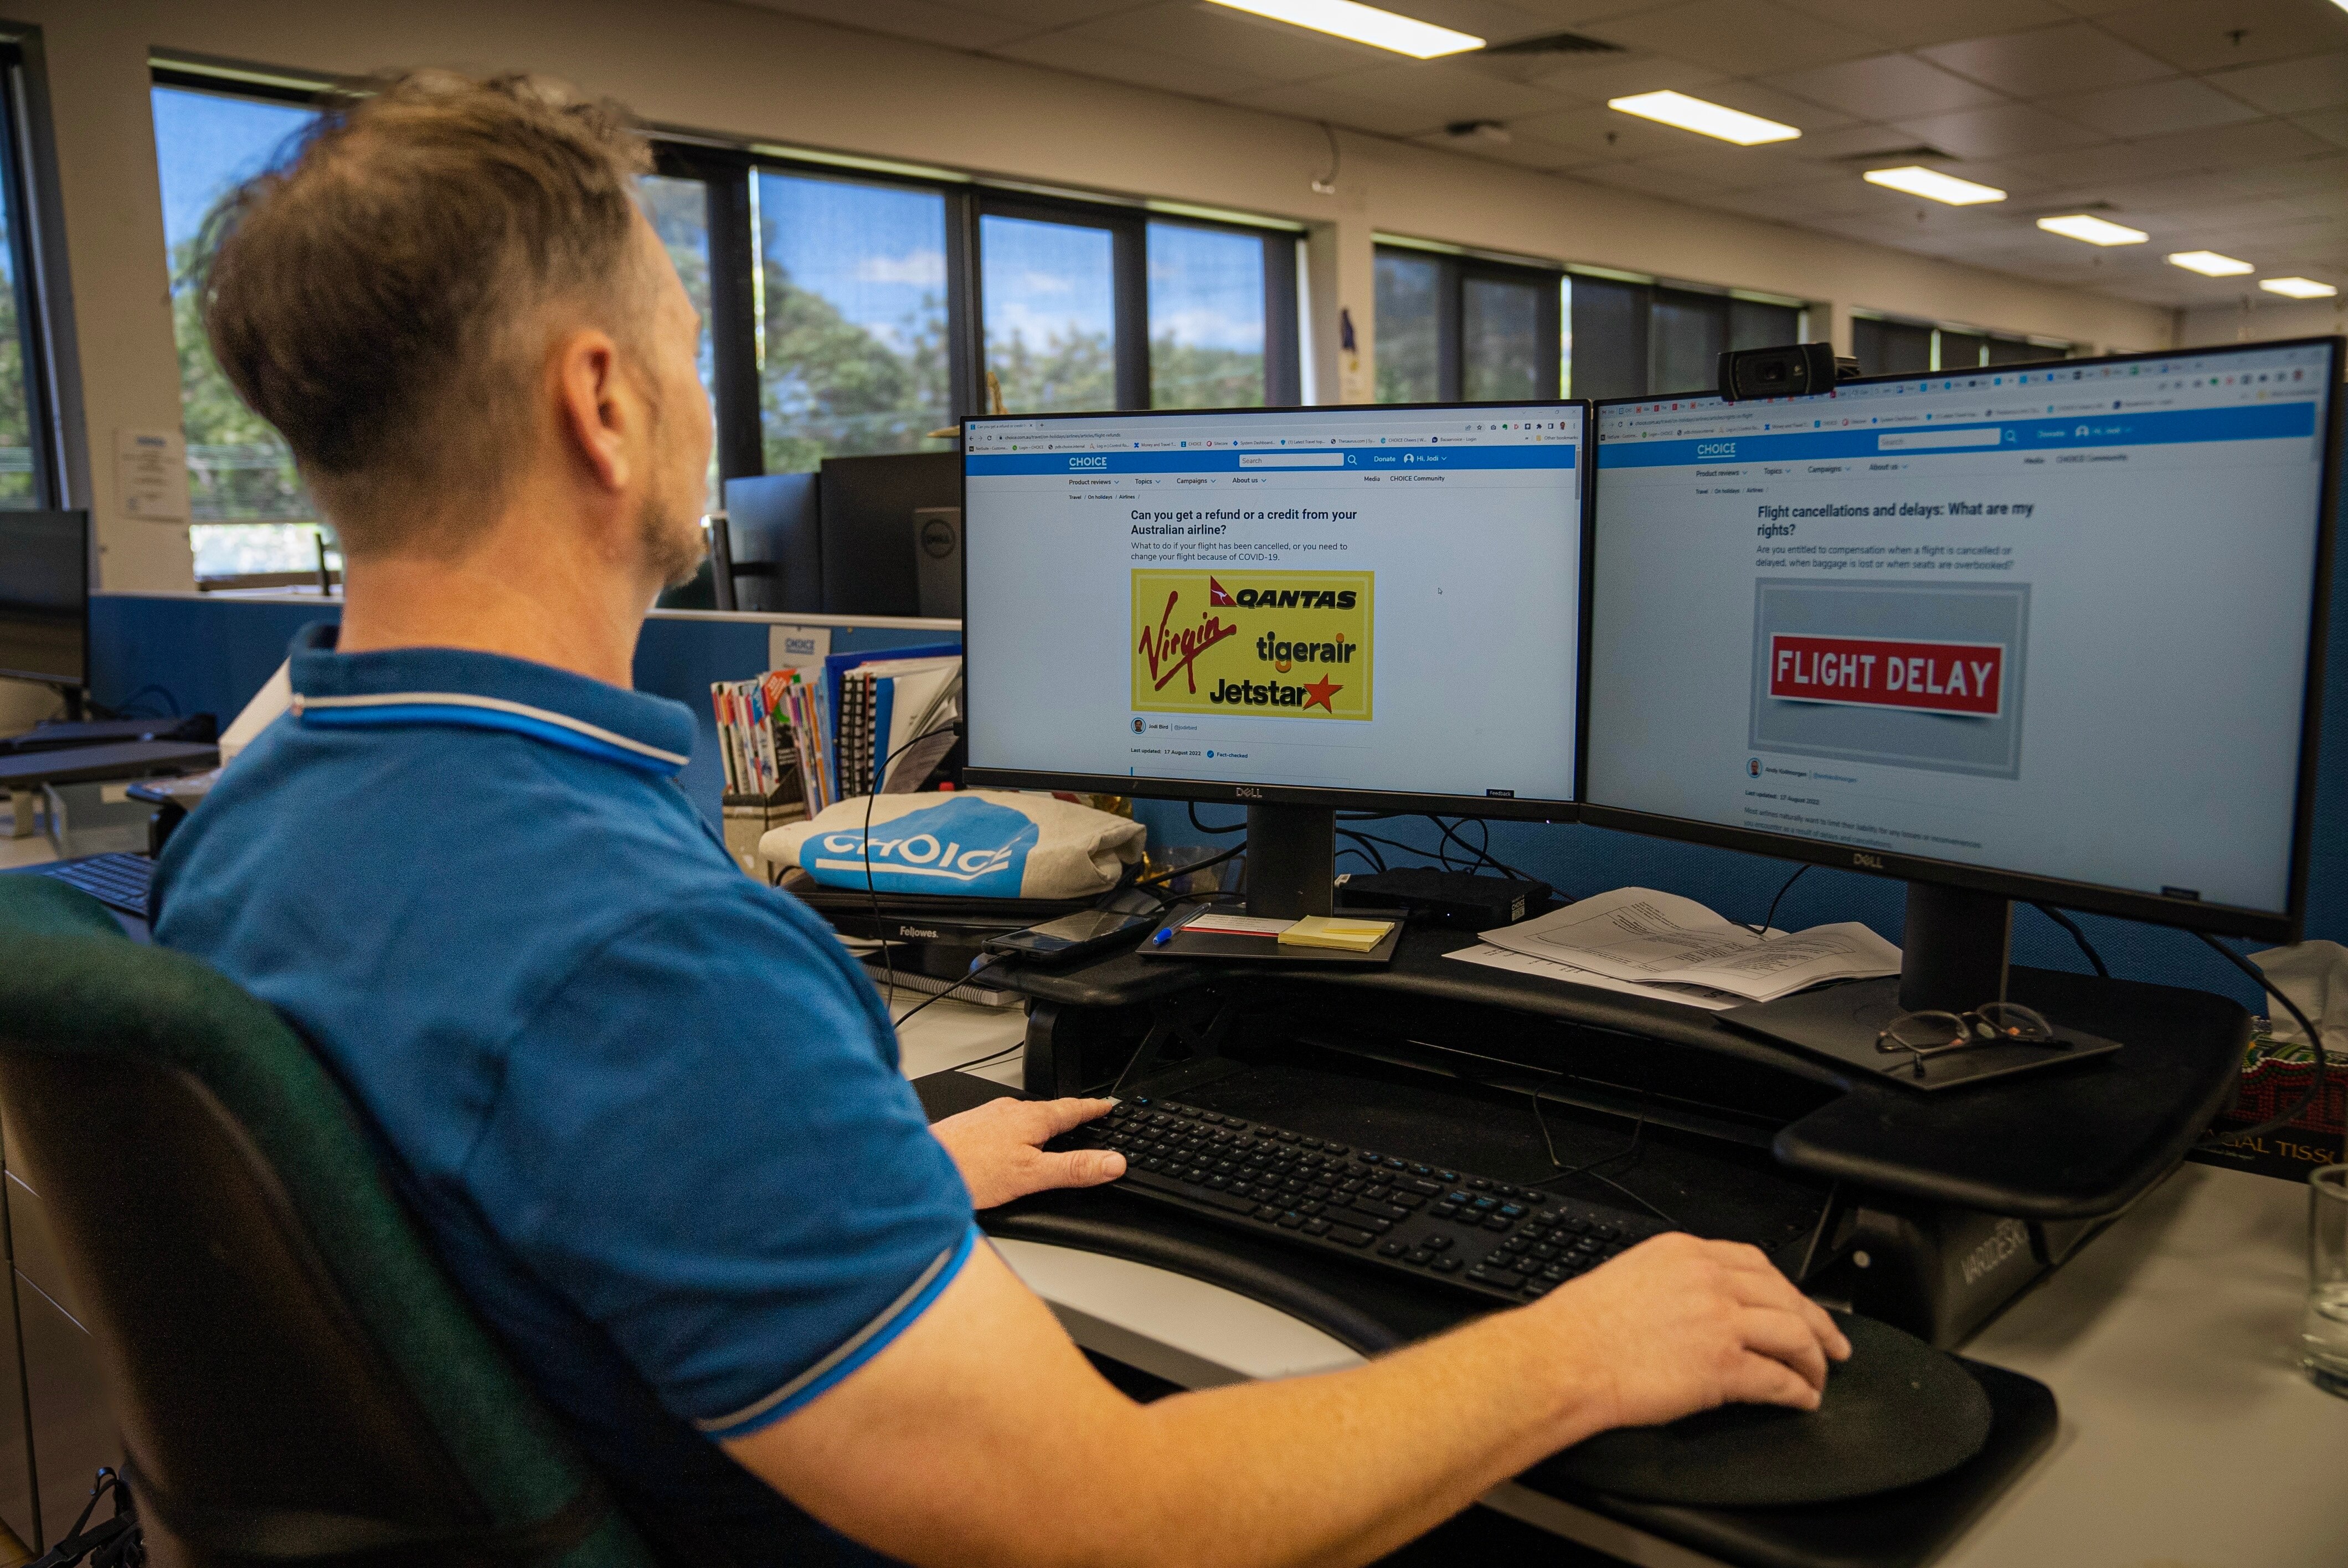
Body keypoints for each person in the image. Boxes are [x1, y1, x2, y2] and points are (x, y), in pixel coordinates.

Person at [156, 70, 1848, 1567]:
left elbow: (522, 1173)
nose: (701, 393)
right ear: (600, 404)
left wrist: (846, 1179)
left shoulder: (265, 812)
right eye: (686, 346)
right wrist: (1577, 1346)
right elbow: (1108, 1519)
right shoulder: (648, 958)